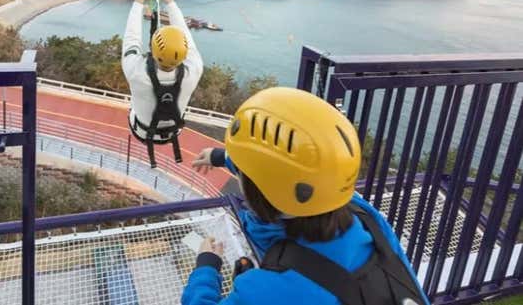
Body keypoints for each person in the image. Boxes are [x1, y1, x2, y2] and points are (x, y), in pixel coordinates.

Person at [182, 87, 430, 305]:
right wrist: (222, 157)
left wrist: (207, 264)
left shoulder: (269, 291)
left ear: (259, 191)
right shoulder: (366, 218)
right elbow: (282, 177)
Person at [123, 0, 203, 168]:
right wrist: (170, 2)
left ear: (154, 49)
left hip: (141, 131)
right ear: (184, 54)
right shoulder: (194, 69)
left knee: (135, 103)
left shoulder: (137, 71)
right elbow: (187, 38)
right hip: (173, 132)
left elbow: (131, 39)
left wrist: (138, 3)